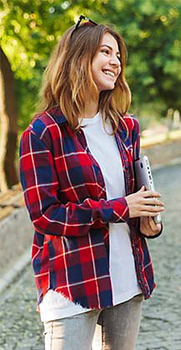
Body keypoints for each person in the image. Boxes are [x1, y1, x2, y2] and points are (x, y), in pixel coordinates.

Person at [18, 16, 164, 349]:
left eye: (118, 56)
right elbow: (45, 215)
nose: (115, 62)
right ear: (78, 57)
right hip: (72, 282)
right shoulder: (42, 133)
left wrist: (148, 221)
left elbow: (133, 199)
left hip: (127, 278)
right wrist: (120, 208)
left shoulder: (127, 128)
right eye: (105, 52)